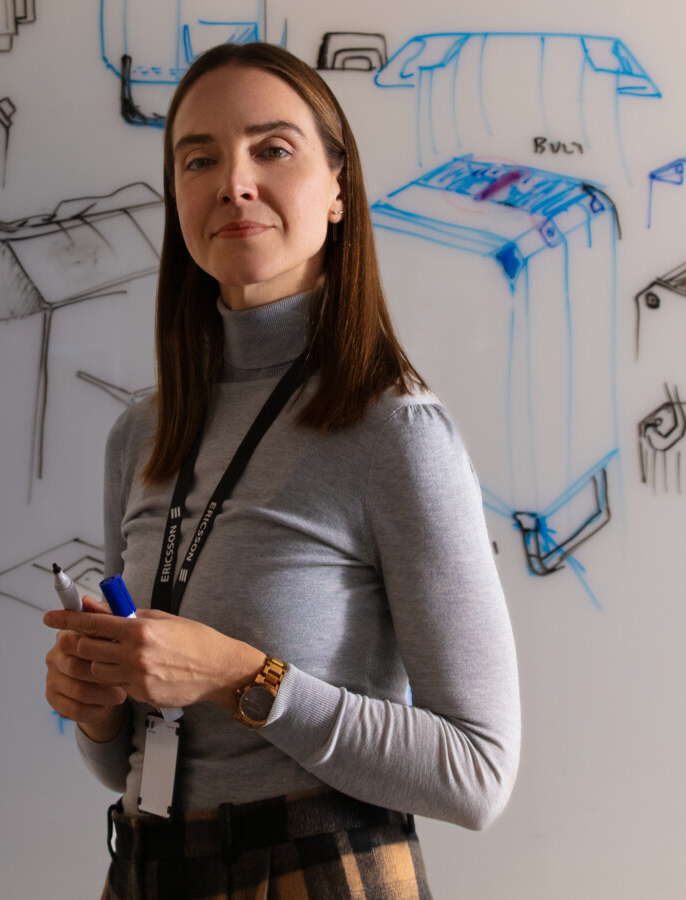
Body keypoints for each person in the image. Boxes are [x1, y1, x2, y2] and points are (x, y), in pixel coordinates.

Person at [42, 41, 520, 899]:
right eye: (199, 158)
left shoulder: (395, 431)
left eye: (272, 148)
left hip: (320, 874)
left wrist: (238, 676)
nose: (233, 181)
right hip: (149, 869)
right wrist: (101, 702)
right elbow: (124, 766)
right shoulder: (140, 435)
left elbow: (476, 771)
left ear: (338, 188)